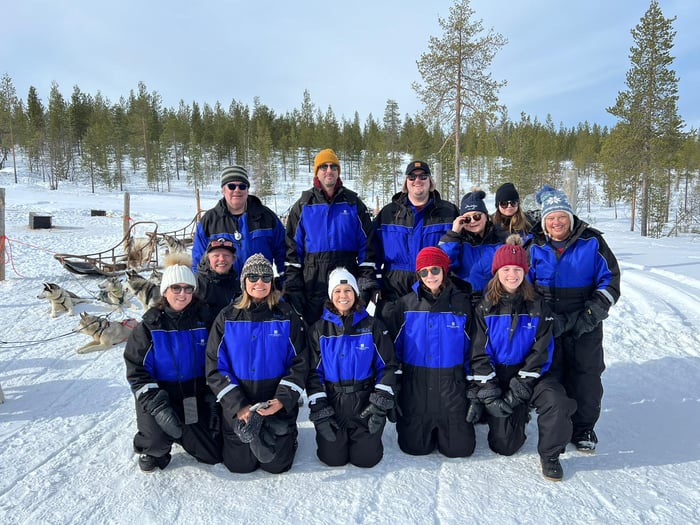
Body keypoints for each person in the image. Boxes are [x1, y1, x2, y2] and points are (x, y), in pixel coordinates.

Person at [468, 235, 577, 481]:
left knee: (557, 401)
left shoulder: (537, 305)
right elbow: (478, 353)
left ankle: (550, 455)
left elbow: (542, 351)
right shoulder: (485, 307)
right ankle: (512, 413)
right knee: (504, 446)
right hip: (499, 375)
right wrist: (491, 392)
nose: (512, 275)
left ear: (524, 272)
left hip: (532, 375)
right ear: (497, 272)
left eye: (517, 269)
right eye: (506, 269)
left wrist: (520, 388)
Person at [528, 185, 620, 452]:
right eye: (551, 218)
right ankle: (558, 424)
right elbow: (525, 286)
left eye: (562, 216)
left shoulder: (592, 242)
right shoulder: (533, 245)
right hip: (549, 322)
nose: (557, 222)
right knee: (552, 373)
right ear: (544, 222)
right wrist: (541, 319)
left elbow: (610, 282)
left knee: (587, 375)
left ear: (570, 218)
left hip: (585, 320)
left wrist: (590, 315)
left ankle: (584, 428)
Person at [205, 253, 308, 474]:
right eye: (252, 277)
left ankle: (288, 436)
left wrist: (281, 400)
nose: (259, 282)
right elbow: (215, 366)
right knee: (239, 466)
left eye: (265, 277)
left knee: (277, 466)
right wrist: (238, 405)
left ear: (272, 282)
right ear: (244, 282)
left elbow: (300, 362)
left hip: (274, 401)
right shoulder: (227, 317)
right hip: (240, 403)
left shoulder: (287, 315)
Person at [124, 253, 221, 472]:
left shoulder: (205, 321)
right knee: (156, 446)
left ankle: (185, 432)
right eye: (175, 288)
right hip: (160, 396)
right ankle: (152, 443)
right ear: (165, 291)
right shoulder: (148, 327)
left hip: (193, 394)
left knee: (212, 453)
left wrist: (212, 393)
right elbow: (137, 372)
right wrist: (157, 406)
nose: (182, 293)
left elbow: (218, 359)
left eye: (188, 288)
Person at [381, 246, 475, 458]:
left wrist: (474, 391)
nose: (429, 275)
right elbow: (391, 353)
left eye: (435, 270)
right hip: (416, 388)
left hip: (452, 388)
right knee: (413, 448)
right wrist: (393, 389)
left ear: (444, 270)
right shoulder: (405, 305)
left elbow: (474, 350)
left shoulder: (462, 304)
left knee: (459, 450)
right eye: (423, 272)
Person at [306, 268, 399, 468]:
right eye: (337, 291)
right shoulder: (318, 330)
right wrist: (320, 408)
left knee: (366, 460)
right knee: (332, 459)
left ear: (356, 293)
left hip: (364, 403)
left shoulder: (373, 326)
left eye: (348, 290)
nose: (343, 296)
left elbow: (388, 365)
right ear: (331, 295)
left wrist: (380, 402)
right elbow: (314, 373)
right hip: (333, 403)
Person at [284, 148, 378, 324]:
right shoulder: (304, 206)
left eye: (333, 166)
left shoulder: (353, 204)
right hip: (313, 281)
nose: (329, 170)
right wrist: (293, 287)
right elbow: (292, 252)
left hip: (346, 278)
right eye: (324, 167)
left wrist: (365, 281)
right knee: (315, 334)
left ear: (338, 171)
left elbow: (368, 247)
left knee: (345, 332)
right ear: (316, 172)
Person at [372, 160, 459, 303]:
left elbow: (459, 251)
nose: (417, 180)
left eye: (423, 176)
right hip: (394, 289)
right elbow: (372, 252)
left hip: (435, 287)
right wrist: (375, 284)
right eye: (412, 177)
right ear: (406, 182)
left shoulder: (448, 212)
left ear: (430, 182)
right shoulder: (389, 213)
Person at [192, 165, 286, 284]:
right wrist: (203, 290)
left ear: (247, 190)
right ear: (223, 190)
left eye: (242, 186)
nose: (237, 190)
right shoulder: (209, 221)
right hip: (223, 293)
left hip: (259, 289)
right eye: (231, 186)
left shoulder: (267, 217)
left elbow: (283, 253)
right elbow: (198, 263)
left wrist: (284, 286)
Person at [439, 189, 507, 304]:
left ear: (486, 216)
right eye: (467, 219)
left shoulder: (500, 239)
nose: (472, 222)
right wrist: (454, 234)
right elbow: (443, 263)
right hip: (464, 300)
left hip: (494, 300)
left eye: (477, 216)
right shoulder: (457, 241)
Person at [195, 237, 241, 317]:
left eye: (226, 255)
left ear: (233, 259)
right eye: (216, 256)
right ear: (208, 259)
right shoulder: (197, 284)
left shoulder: (237, 285)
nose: (222, 259)